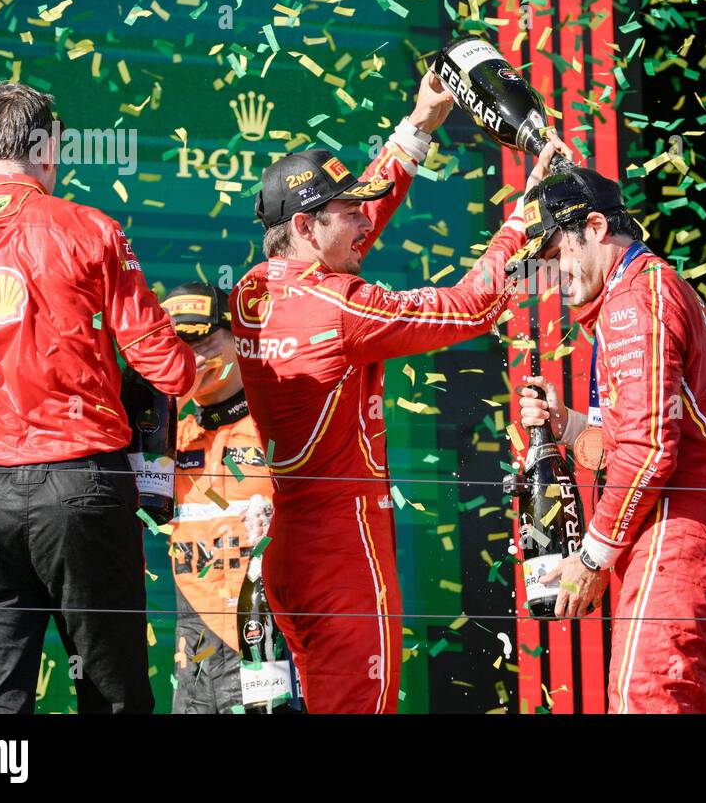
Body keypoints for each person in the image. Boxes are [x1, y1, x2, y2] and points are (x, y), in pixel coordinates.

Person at [230, 68, 561, 713]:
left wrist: (420, 124)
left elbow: (353, 236)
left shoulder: (251, 291)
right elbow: (471, 307)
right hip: (347, 551)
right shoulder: (340, 307)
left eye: (358, 207)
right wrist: (522, 222)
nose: (361, 220)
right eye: (343, 210)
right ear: (303, 227)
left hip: (293, 551)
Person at [0, 82, 195, 713]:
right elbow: (170, 369)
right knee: (114, 701)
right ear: (49, 154)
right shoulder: (95, 231)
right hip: (86, 490)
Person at [514, 166, 706, 714]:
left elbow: (650, 450)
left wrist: (593, 556)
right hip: (695, 532)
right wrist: (568, 426)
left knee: (643, 699)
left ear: (596, 226)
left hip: (678, 531)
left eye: (555, 254)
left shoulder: (635, 297)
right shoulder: (647, 291)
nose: (553, 275)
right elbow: (627, 442)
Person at [162, 282, 288, 713]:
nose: (192, 354)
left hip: (263, 634)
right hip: (193, 639)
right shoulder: (171, 434)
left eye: (203, 337)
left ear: (239, 338)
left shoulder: (278, 424)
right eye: (178, 342)